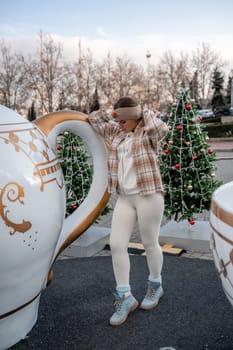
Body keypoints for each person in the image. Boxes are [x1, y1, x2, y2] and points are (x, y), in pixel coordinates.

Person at [88, 96, 169, 326]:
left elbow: (160, 127)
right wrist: (114, 114)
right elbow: (93, 119)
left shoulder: (148, 135)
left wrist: (142, 113)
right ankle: (125, 297)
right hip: (125, 198)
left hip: (148, 196)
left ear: (135, 118)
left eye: (125, 121)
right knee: (116, 245)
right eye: (119, 121)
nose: (120, 125)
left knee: (149, 243)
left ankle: (155, 284)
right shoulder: (116, 134)